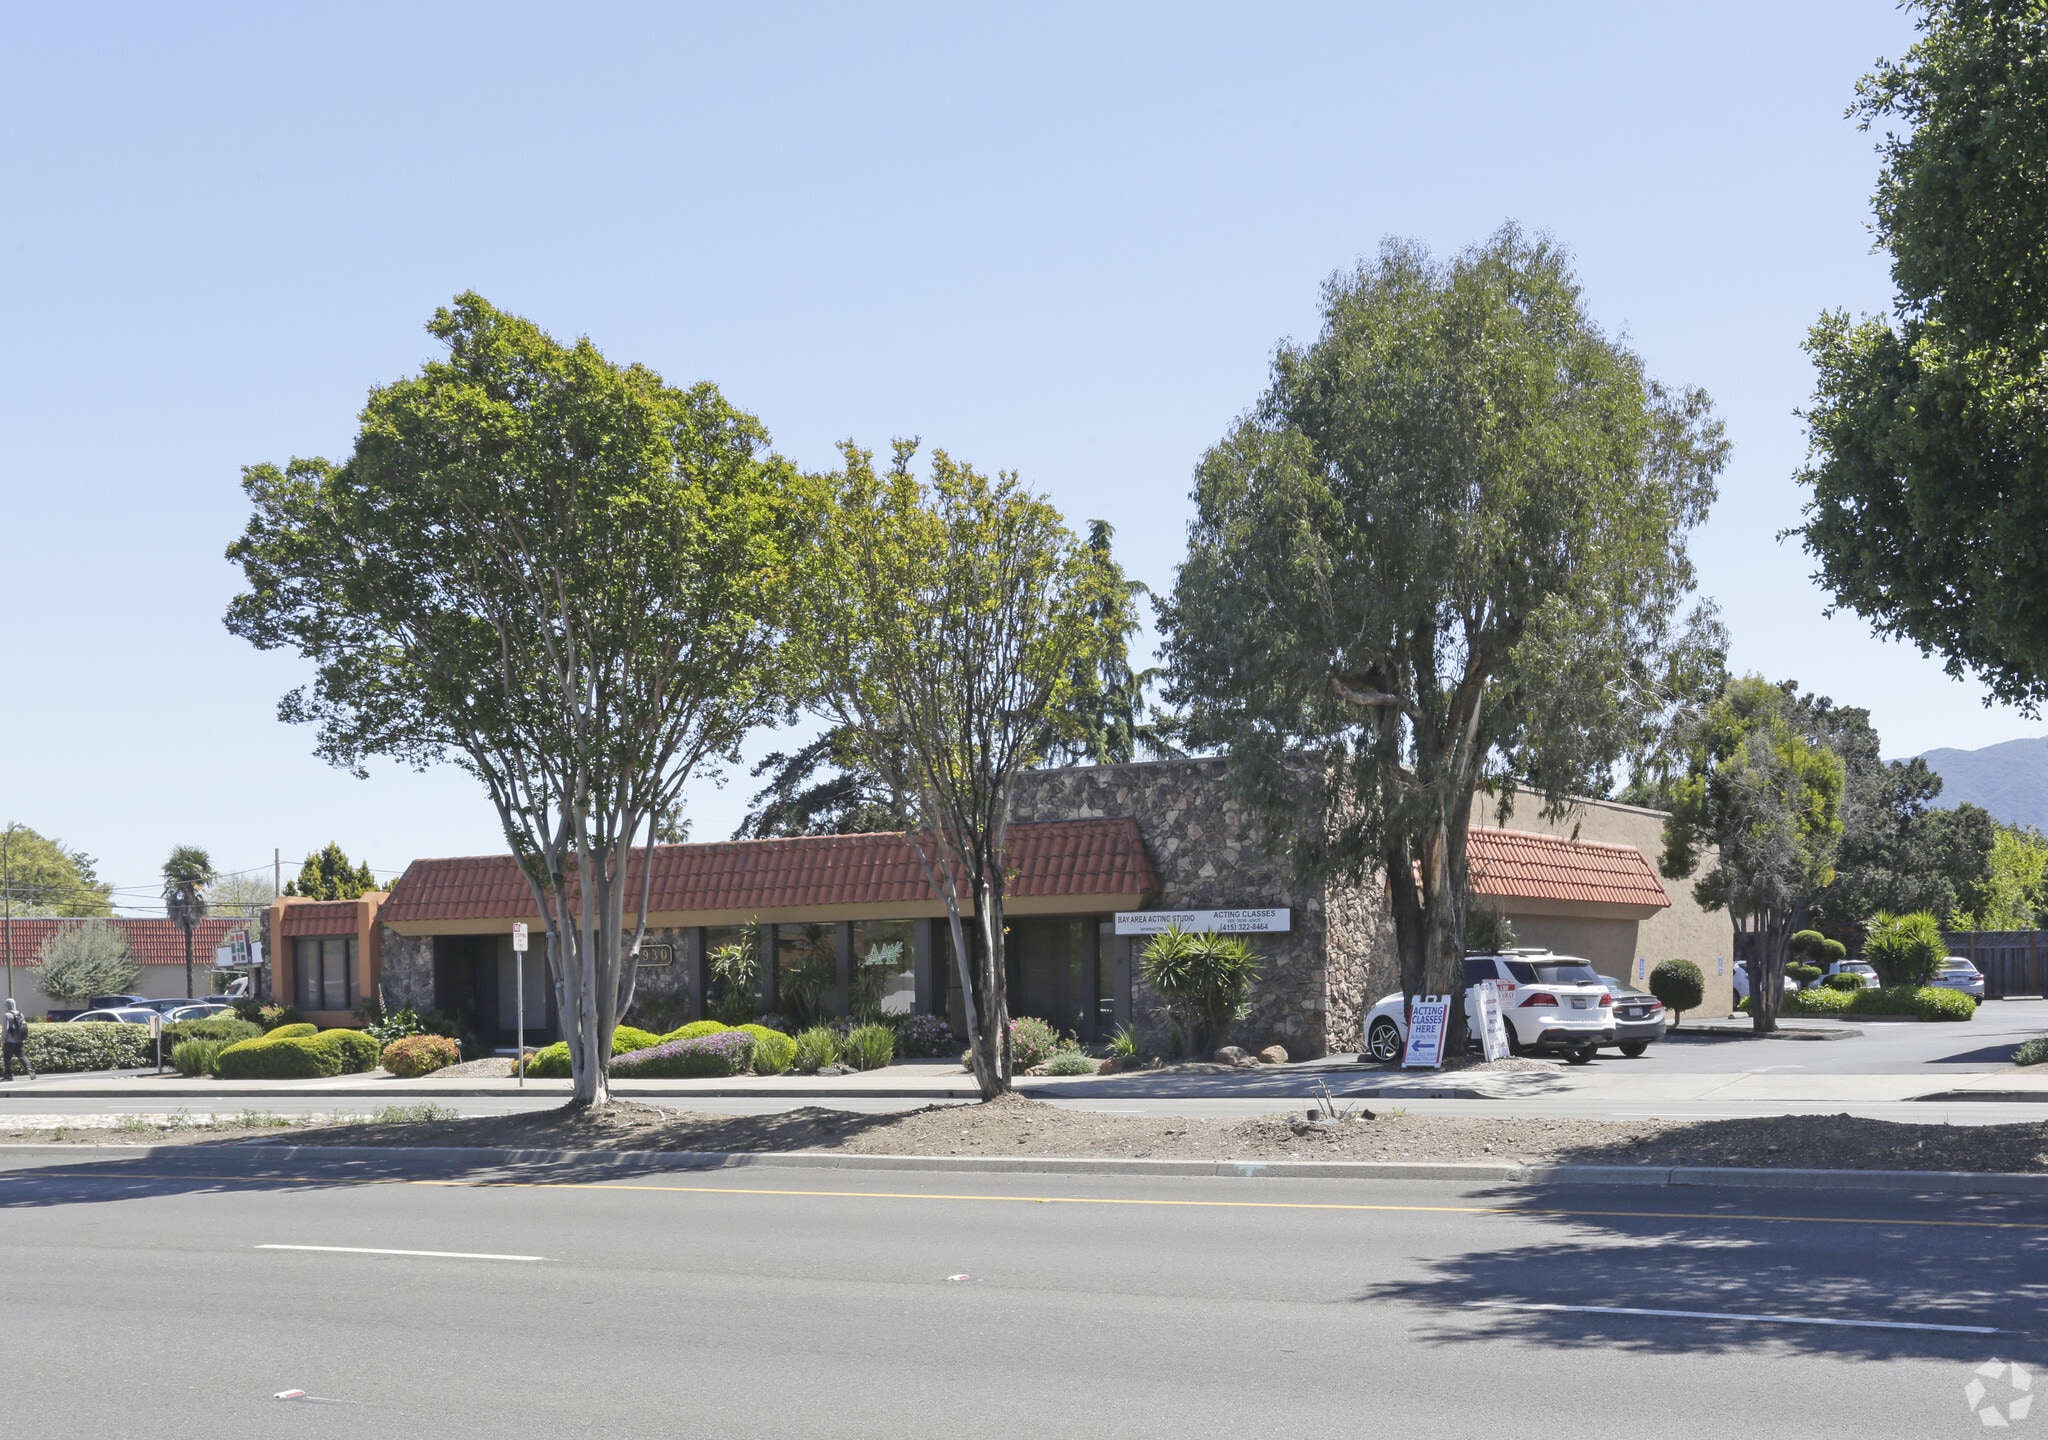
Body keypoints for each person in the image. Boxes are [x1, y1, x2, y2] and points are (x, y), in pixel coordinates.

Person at [1, 998, 29, 1081]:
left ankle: (8, 1076)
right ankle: (29, 1068)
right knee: (21, 1056)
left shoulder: (7, 1015)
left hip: (10, 1041)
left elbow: (5, 1029)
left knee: (7, 1058)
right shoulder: (20, 1014)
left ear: (7, 1006)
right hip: (20, 1040)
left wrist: (2, 1040)